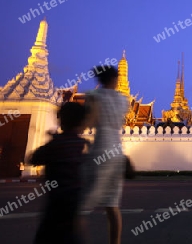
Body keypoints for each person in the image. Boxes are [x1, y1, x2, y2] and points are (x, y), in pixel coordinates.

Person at [28, 102, 89, 244]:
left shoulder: (57, 144)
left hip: (55, 203)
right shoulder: (79, 144)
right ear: (81, 124)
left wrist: (53, 139)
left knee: (46, 236)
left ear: (60, 121)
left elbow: (34, 158)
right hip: (73, 201)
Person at [82, 65, 128, 244]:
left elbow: (90, 120)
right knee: (112, 205)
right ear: (116, 79)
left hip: (102, 147)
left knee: (82, 205)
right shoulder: (123, 100)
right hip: (117, 150)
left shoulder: (95, 96)